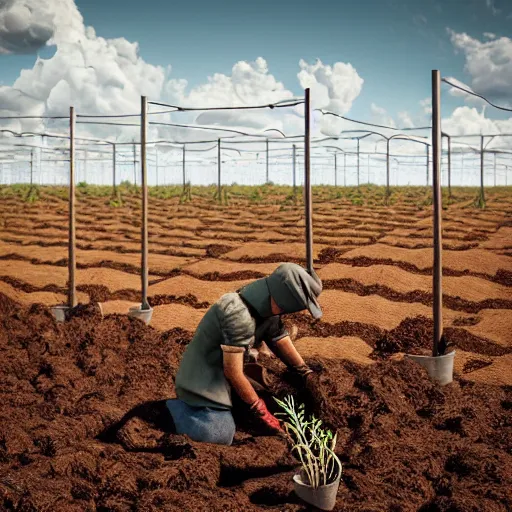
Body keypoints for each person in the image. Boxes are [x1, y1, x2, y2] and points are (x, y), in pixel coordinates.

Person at [165, 262, 323, 446]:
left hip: (232, 370)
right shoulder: (238, 314)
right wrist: (261, 411)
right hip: (206, 378)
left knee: (279, 403)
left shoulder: (266, 303)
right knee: (219, 434)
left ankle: (234, 405)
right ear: (282, 300)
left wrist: (304, 371)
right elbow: (232, 372)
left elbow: (278, 338)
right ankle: (174, 410)